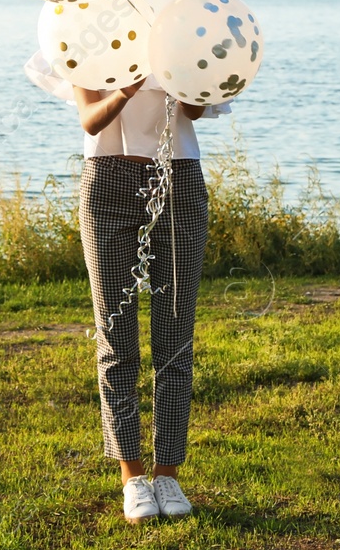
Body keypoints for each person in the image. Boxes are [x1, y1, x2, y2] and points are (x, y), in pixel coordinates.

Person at [26, 50, 219, 523]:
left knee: (176, 330)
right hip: (107, 180)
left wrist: (177, 70)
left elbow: (194, 111)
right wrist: (128, 85)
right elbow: (91, 121)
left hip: (179, 175)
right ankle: (132, 476)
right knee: (115, 332)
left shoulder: (180, 27)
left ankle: (167, 473)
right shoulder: (86, 33)